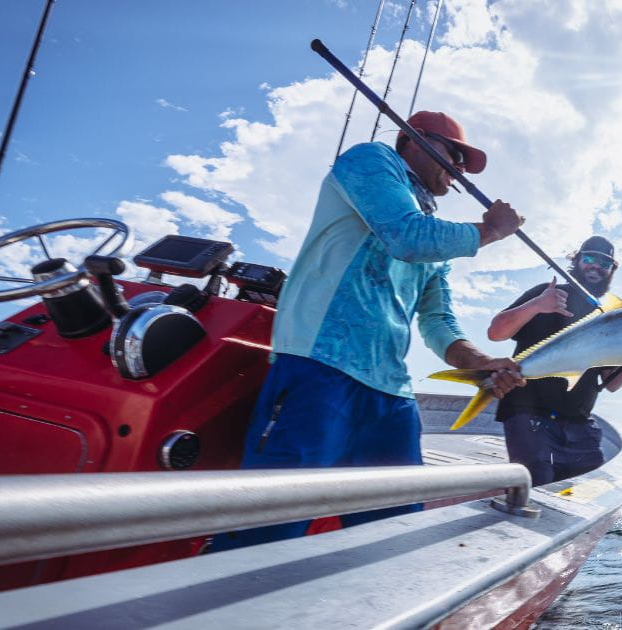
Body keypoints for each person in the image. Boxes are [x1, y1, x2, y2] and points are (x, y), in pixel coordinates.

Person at [212, 111, 526, 550]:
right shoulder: (370, 160)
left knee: (392, 534)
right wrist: (490, 230)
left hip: (390, 394)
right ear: (413, 141)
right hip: (320, 369)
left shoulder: (437, 236)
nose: (457, 169)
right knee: (269, 528)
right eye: (453, 154)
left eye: (462, 163)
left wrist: (481, 363)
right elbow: (406, 236)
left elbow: (438, 322)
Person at [487, 236, 622, 485]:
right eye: (589, 258)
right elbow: (496, 332)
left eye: (604, 263)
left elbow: (611, 383)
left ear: (612, 270)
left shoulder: (611, 315)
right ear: (576, 260)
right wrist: (537, 305)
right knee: (537, 487)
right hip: (528, 414)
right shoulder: (547, 293)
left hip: (579, 422)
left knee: (586, 493)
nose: (596, 266)